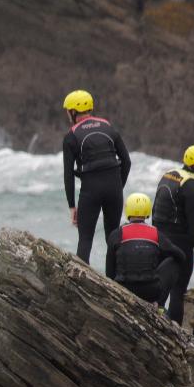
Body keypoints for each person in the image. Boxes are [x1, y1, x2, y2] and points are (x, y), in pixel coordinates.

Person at [61, 89, 131, 264]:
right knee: (113, 238)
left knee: (85, 239)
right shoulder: (108, 127)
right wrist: (117, 188)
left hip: (91, 190)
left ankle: (81, 282)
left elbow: (68, 174)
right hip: (114, 187)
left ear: (73, 111)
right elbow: (127, 161)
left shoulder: (71, 136)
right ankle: (115, 283)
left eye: (67, 111)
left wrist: (72, 206)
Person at [151, 145, 194, 324]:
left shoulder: (168, 174)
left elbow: (155, 209)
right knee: (178, 290)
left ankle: (152, 320)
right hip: (180, 242)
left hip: (159, 237)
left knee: (159, 284)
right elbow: (193, 225)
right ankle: (174, 330)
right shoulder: (193, 186)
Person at [105, 192, 188, 309]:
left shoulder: (116, 234)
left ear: (127, 209)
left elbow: (109, 272)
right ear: (148, 211)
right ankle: (159, 305)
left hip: (123, 289)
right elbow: (181, 256)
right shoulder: (155, 233)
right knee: (174, 262)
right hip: (150, 293)